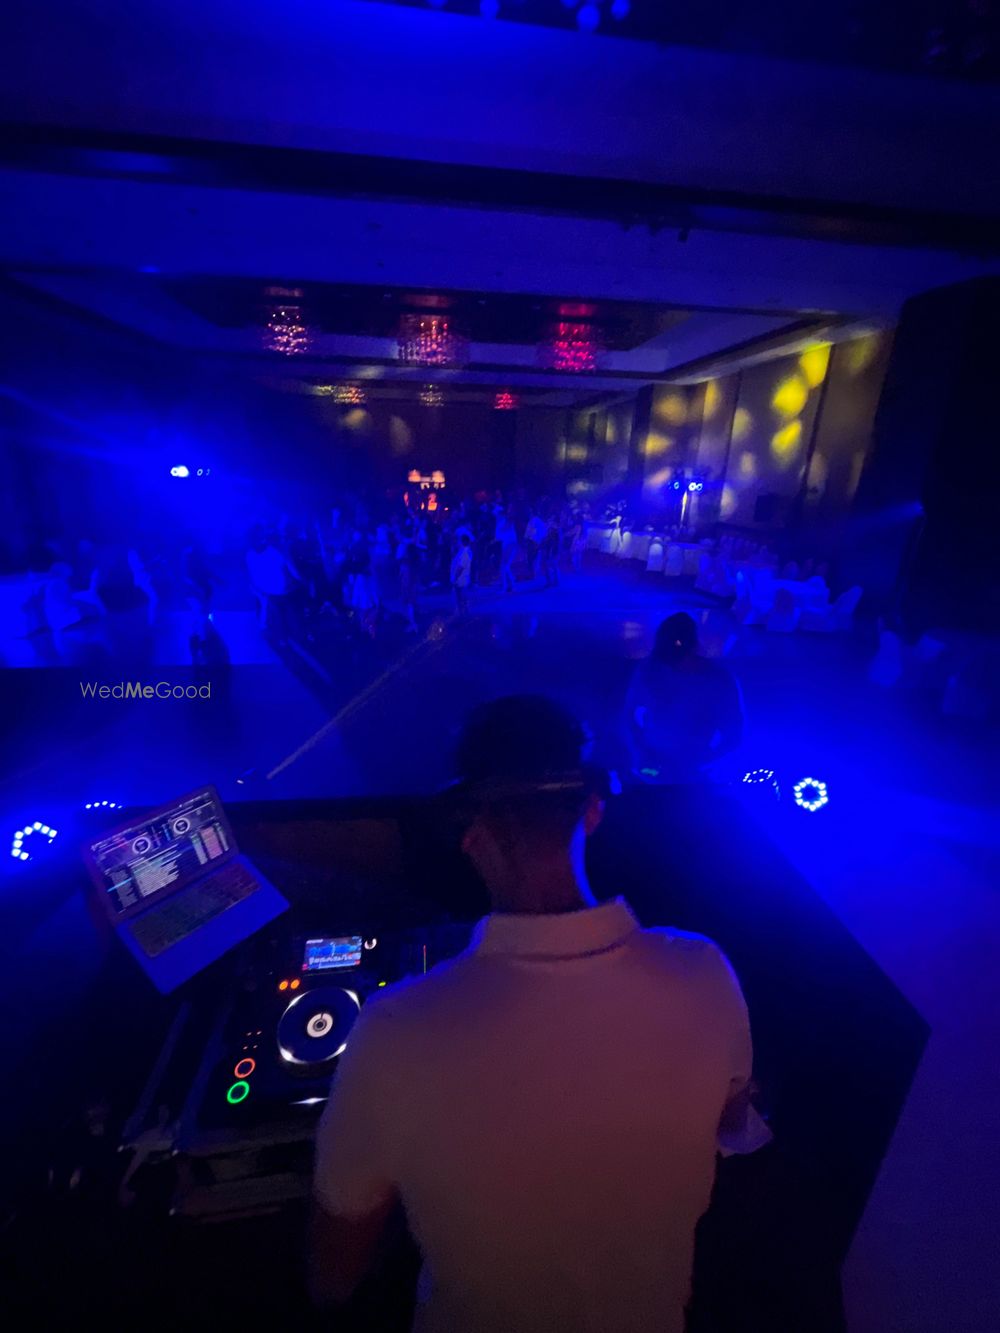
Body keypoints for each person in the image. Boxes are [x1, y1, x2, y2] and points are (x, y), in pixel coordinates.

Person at [310, 694, 769, 1332]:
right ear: (593, 810)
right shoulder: (705, 973)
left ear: (469, 831)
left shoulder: (394, 1031)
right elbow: (734, 1122)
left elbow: (334, 1275)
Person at [627, 613, 744, 781]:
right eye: (668, 659)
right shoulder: (649, 670)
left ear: (693, 647)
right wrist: (640, 752)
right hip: (655, 768)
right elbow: (629, 715)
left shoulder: (719, 679)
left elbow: (734, 734)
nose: (674, 666)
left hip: (697, 774)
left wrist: (703, 763)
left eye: (678, 657)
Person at [450, 533, 472, 616]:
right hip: (459, 578)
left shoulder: (466, 552)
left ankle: (464, 614)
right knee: (459, 597)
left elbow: (461, 566)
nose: (457, 542)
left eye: (459, 540)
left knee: (462, 597)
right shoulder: (461, 550)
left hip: (461, 578)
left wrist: (455, 577)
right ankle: (461, 613)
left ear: (464, 541)